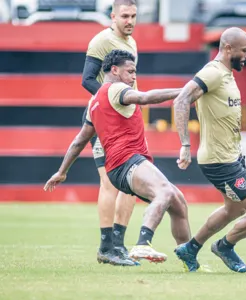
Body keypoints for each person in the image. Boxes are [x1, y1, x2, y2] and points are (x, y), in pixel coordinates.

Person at [45, 50, 191, 265]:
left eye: (135, 72)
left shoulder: (93, 102)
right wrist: (187, 91)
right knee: (165, 191)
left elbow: (80, 140)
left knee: (178, 204)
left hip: (118, 168)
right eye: (130, 71)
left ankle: (189, 259)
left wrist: (62, 171)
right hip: (127, 162)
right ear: (114, 70)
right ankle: (143, 243)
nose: (134, 76)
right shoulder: (117, 89)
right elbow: (146, 97)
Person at [173, 27, 246, 273]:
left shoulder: (226, 74)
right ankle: (225, 246)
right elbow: (182, 99)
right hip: (220, 161)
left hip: (231, 157)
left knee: (234, 209)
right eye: (245, 50)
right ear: (228, 48)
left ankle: (191, 249)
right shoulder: (212, 73)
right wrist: (185, 144)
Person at [81, 0, 139, 264]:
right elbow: (87, 80)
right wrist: (111, 101)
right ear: (112, 16)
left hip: (127, 118)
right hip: (105, 118)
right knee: (109, 183)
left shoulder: (132, 43)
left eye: (133, 16)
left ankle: (118, 245)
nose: (130, 20)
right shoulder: (101, 41)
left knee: (132, 183)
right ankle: (106, 247)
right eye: (124, 16)